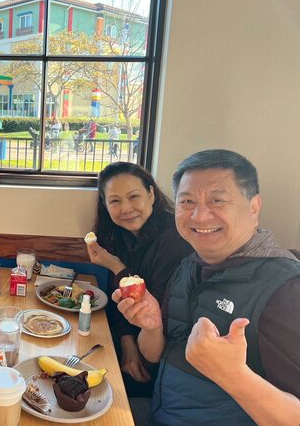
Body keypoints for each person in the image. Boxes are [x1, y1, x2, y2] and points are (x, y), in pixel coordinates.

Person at [113, 149, 300, 425]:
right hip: (159, 412)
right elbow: (155, 356)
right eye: (187, 201)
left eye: (217, 200)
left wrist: (234, 376)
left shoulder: (286, 290)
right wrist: (151, 327)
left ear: (254, 207)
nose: (199, 216)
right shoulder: (187, 266)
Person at [86, 162, 193, 397]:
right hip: (133, 337)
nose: (126, 208)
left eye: (134, 196)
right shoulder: (119, 235)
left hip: (164, 351)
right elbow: (119, 297)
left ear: (151, 194)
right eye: (115, 201)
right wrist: (127, 343)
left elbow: (153, 309)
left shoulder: (174, 239)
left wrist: (115, 265)